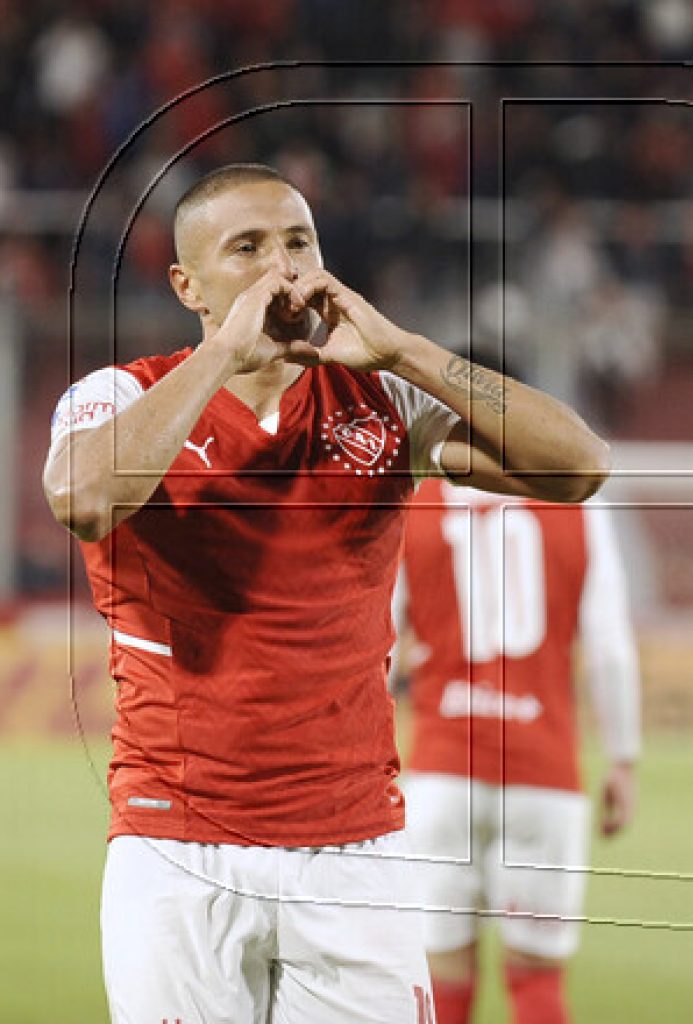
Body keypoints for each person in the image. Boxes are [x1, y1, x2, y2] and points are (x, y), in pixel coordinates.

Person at [42, 162, 610, 1024]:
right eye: (248, 248)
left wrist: (407, 350)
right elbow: (84, 502)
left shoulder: (382, 402)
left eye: (299, 241)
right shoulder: (119, 396)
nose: (283, 267)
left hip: (354, 848)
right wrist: (223, 354)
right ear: (187, 284)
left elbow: (580, 466)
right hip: (177, 846)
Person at [394, 477, 641, 1024]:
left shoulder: (418, 498)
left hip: (441, 772)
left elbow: (376, 637)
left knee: (444, 978)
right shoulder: (577, 502)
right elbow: (610, 647)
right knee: (536, 977)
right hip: (542, 771)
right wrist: (623, 757)